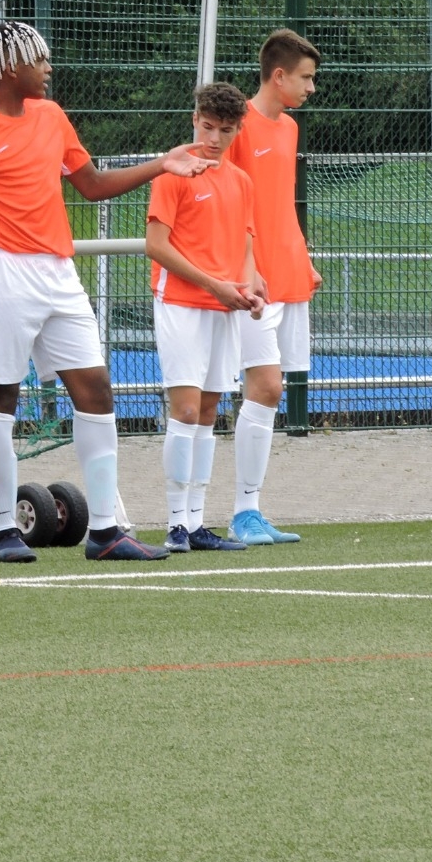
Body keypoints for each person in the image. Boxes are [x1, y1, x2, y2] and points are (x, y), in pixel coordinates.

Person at [0, 20, 212, 564]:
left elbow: (92, 185)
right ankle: (3, 531)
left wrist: (164, 163)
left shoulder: (52, 116)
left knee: (97, 391)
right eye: (39, 60)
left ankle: (105, 532)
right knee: (1, 396)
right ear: (10, 68)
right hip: (3, 272)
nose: (48, 68)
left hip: (60, 273)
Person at [145, 82, 259, 553]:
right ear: (195, 119)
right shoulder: (173, 174)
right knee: (187, 410)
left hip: (223, 307)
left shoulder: (241, 181)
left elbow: (246, 248)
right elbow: (156, 246)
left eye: (225, 130)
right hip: (181, 303)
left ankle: (196, 524)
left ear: (238, 130)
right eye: (208, 126)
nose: (214, 138)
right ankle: (175, 523)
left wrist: (250, 287)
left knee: (210, 412)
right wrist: (214, 285)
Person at [223, 29, 322, 545]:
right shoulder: (236, 124)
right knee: (264, 386)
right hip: (251, 281)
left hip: (287, 275)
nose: (311, 87)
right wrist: (246, 265)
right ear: (278, 75)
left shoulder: (290, 128)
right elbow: (228, 204)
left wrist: (303, 260)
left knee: (271, 390)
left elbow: (280, 204)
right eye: (305, 78)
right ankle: (240, 513)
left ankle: (250, 511)